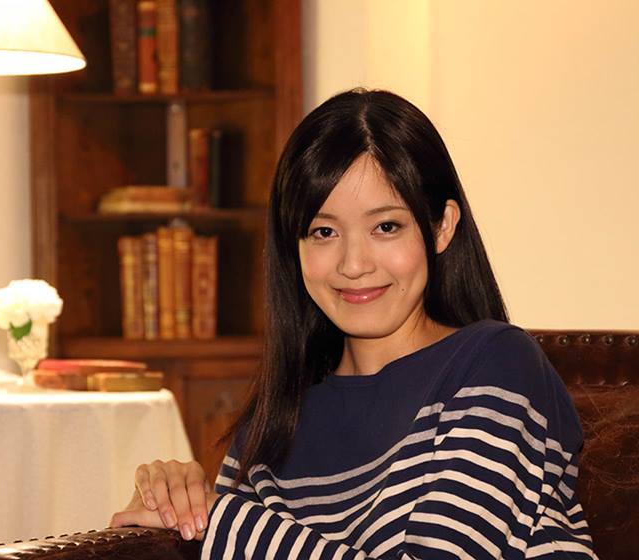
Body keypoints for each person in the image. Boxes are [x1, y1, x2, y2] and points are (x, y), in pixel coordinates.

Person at [110, 89, 595, 559]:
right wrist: (175, 506)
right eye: (324, 232)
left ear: (442, 227)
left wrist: (226, 525)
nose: (354, 264)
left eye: (386, 226)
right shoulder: (275, 418)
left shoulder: (497, 364)